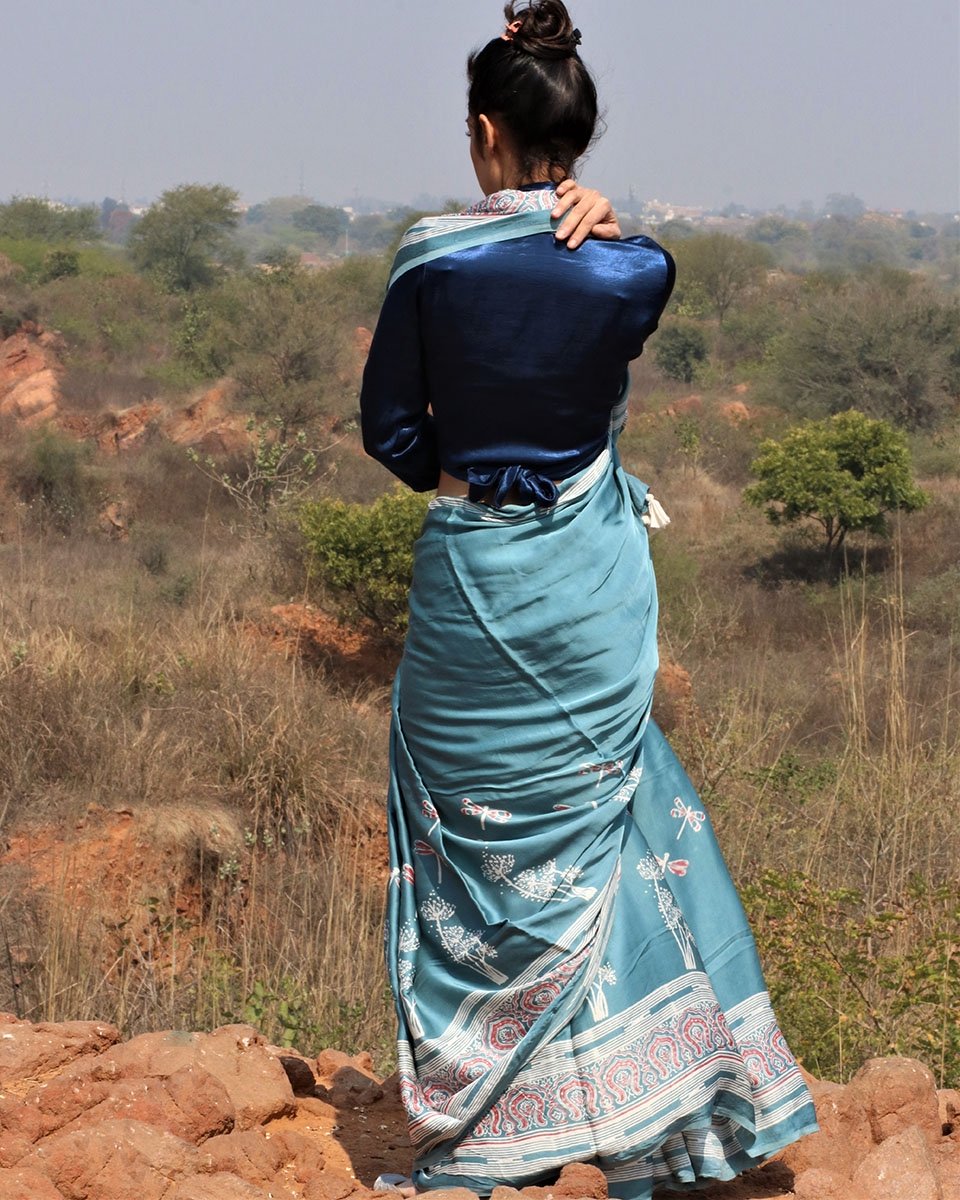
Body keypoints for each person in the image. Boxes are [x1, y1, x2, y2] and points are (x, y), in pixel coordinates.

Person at [359, 3, 818, 1196]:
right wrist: (610, 223)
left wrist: (460, 469)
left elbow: (391, 431)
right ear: (580, 132)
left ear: (484, 131)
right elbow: (633, 271)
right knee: (597, 826)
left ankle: (489, 1125)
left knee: (474, 837)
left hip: (477, 579)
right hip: (595, 588)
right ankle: (648, 1108)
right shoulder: (635, 268)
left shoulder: (429, 256)